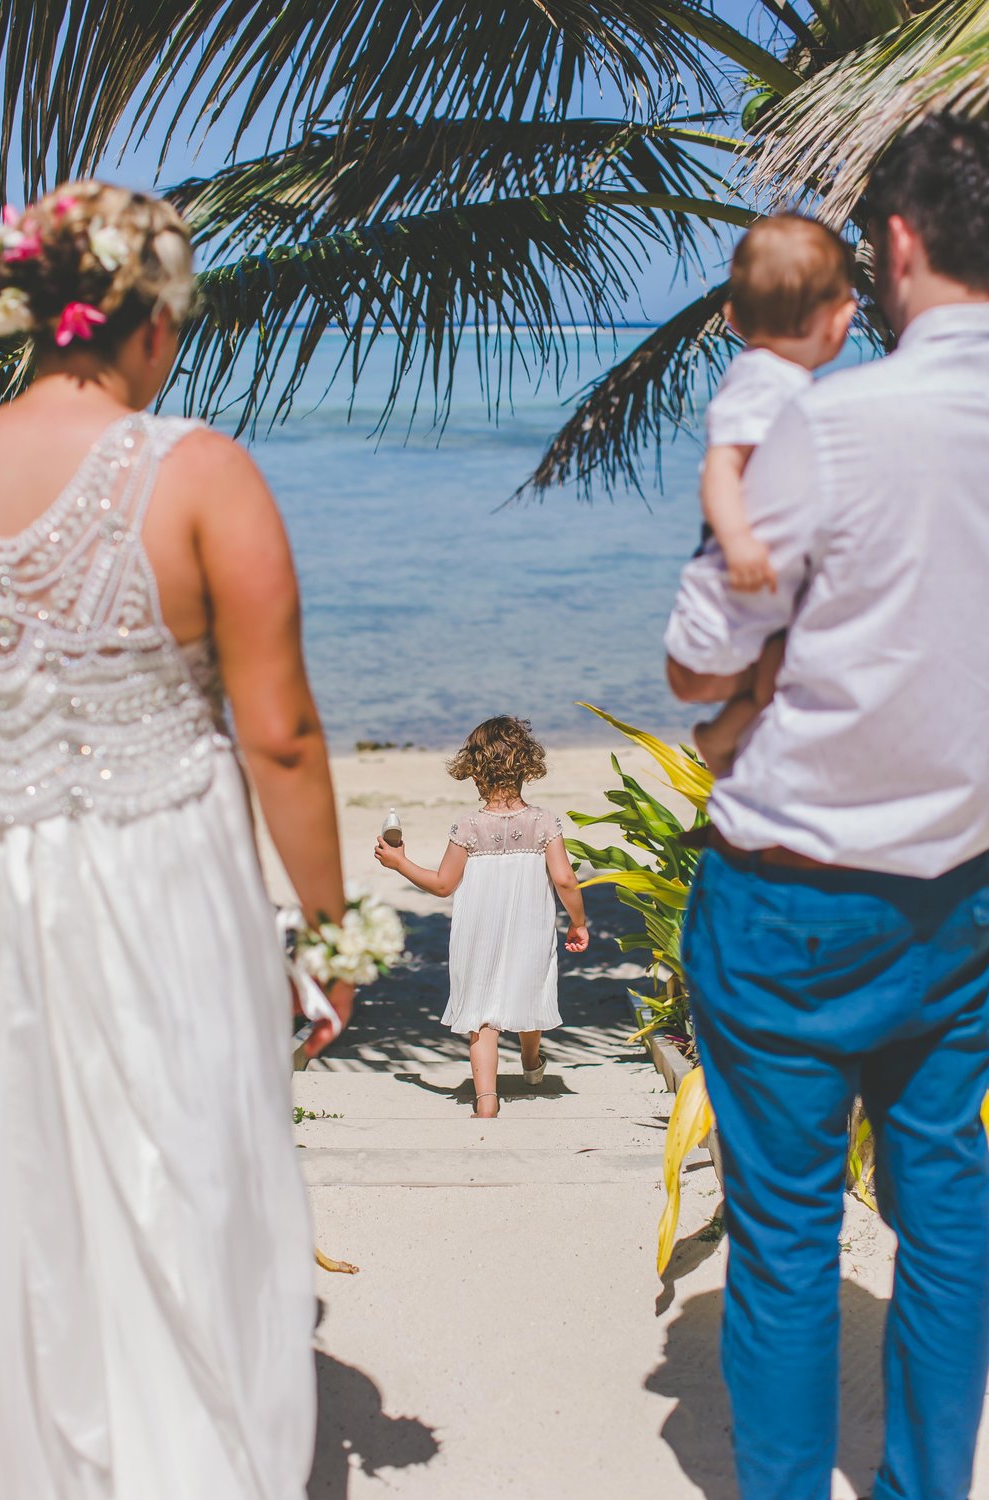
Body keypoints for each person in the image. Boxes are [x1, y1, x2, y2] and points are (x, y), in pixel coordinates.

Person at [0, 181, 351, 1498]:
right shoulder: (198, 470)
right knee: (186, 1184)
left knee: (24, 1201)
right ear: (152, 322)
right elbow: (286, 735)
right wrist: (334, 925)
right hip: (163, 889)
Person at [664, 113, 989, 1500]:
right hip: (964, 897)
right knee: (953, 1217)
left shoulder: (832, 423)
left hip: (793, 902)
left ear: (900, 243)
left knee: (790, 1236)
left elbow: (695, 661)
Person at [694, 214, 856, 776]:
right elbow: (720, 467)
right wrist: (737, 541)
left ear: (732, 315)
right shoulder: (762, 378)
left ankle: (727, 740)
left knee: (781, 663)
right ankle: (721, 739)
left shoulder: (776, 378)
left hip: (768, 553)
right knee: (783, 661)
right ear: (838, 326)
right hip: (749, 554)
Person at [374, 716, 588, 1119]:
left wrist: (399, 863)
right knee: (529, 990)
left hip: (478, 933)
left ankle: (486, 1102)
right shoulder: (544, 822)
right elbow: (564, 879)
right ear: (527, 766)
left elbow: (442, 884)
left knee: (484, 1013)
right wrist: (578, 922)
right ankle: (530, 1062)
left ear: (474, 771)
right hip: (530, 926)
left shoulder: (468, 826)